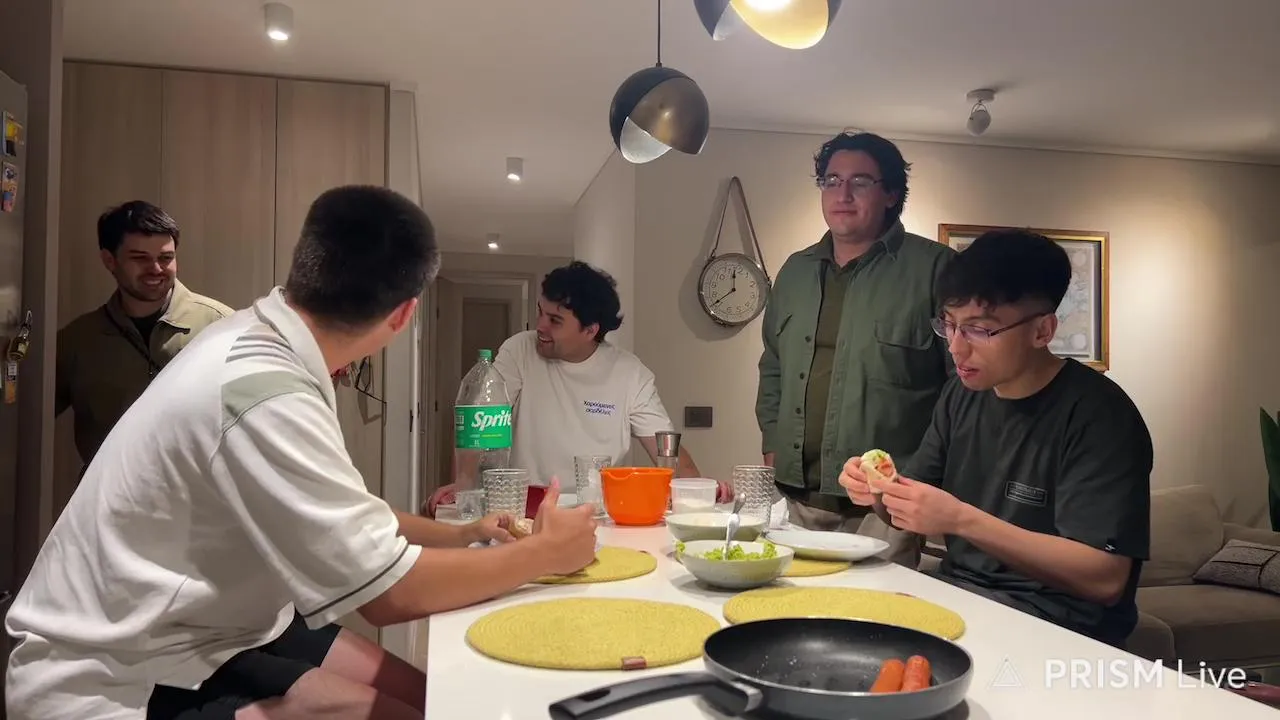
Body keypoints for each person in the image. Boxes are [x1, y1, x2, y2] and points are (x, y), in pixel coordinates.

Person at [5, 186, 599, 720]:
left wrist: (463, 534)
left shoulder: (258, 335)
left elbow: (346, 514)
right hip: (109, 669)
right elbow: (391, 594)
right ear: (404, 313)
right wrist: (545, 553)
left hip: (214, 627)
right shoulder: (265, 391)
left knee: (433, 700)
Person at [839, 229, 1152, 647]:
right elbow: (909, 509)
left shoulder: (1099, 415)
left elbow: (1104, 579)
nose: (955, 348)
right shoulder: (961, 396)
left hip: (1058, 624)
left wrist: (960, 519)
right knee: (836, 618)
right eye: (949, 325)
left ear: (1042, 331)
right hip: (961, 595)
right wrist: (878, 490)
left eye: (979, 330)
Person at [755, 132, 954, 564]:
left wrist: (927, 475)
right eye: (831, 181)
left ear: (890, 194)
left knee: (877, 607)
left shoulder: (935, 270)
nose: (842, 194)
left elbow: (962, 387)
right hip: (793, 499)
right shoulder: (795, 271)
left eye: (860, 181)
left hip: (885, 508)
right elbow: (773, 367)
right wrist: (772, 442)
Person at [425, 261, 706, 516]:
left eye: (555, 321)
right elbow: (478, 421)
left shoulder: (630, 373)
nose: (540, 326)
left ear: (590, 330)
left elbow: (667, 449)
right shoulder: (519, 351)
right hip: (526, 510)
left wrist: (700, 491)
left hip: (595, 513)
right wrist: (463, 486)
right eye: (541, 313)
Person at [56, 200, 234, 472]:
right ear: (109, 260)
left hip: (201, 493)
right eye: (140, 258)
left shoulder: (222, 326)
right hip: (109, 493)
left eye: (166, 258)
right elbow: (25, 412)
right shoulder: (77, 340)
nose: (156, 269)